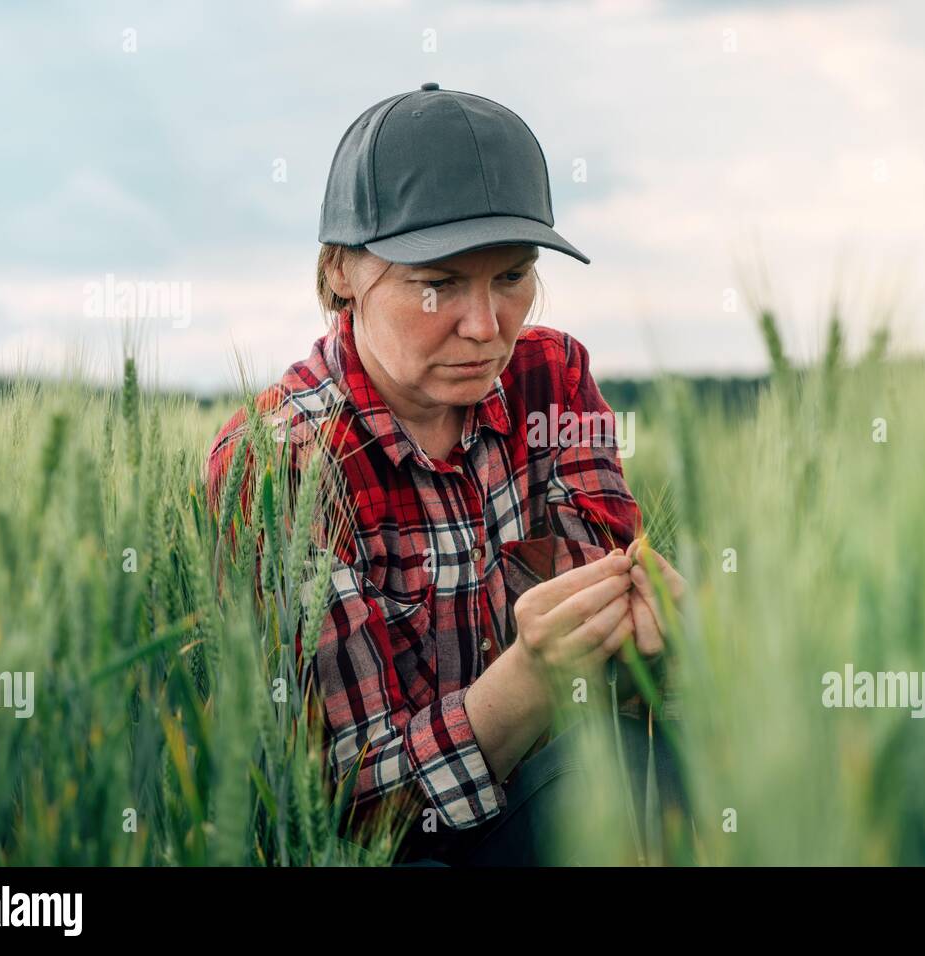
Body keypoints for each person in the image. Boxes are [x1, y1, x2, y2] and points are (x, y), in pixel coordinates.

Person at [203, 83, 691, 865]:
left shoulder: (554, 379)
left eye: (510, 278)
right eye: (438, 283)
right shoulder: (278, 466)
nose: (486, 326)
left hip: (562, 801)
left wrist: (660, 646)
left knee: (650, 770)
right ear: (340, 273)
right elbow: (352, 806)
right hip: (395, 850)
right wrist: (531, 676)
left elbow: (611, 693)